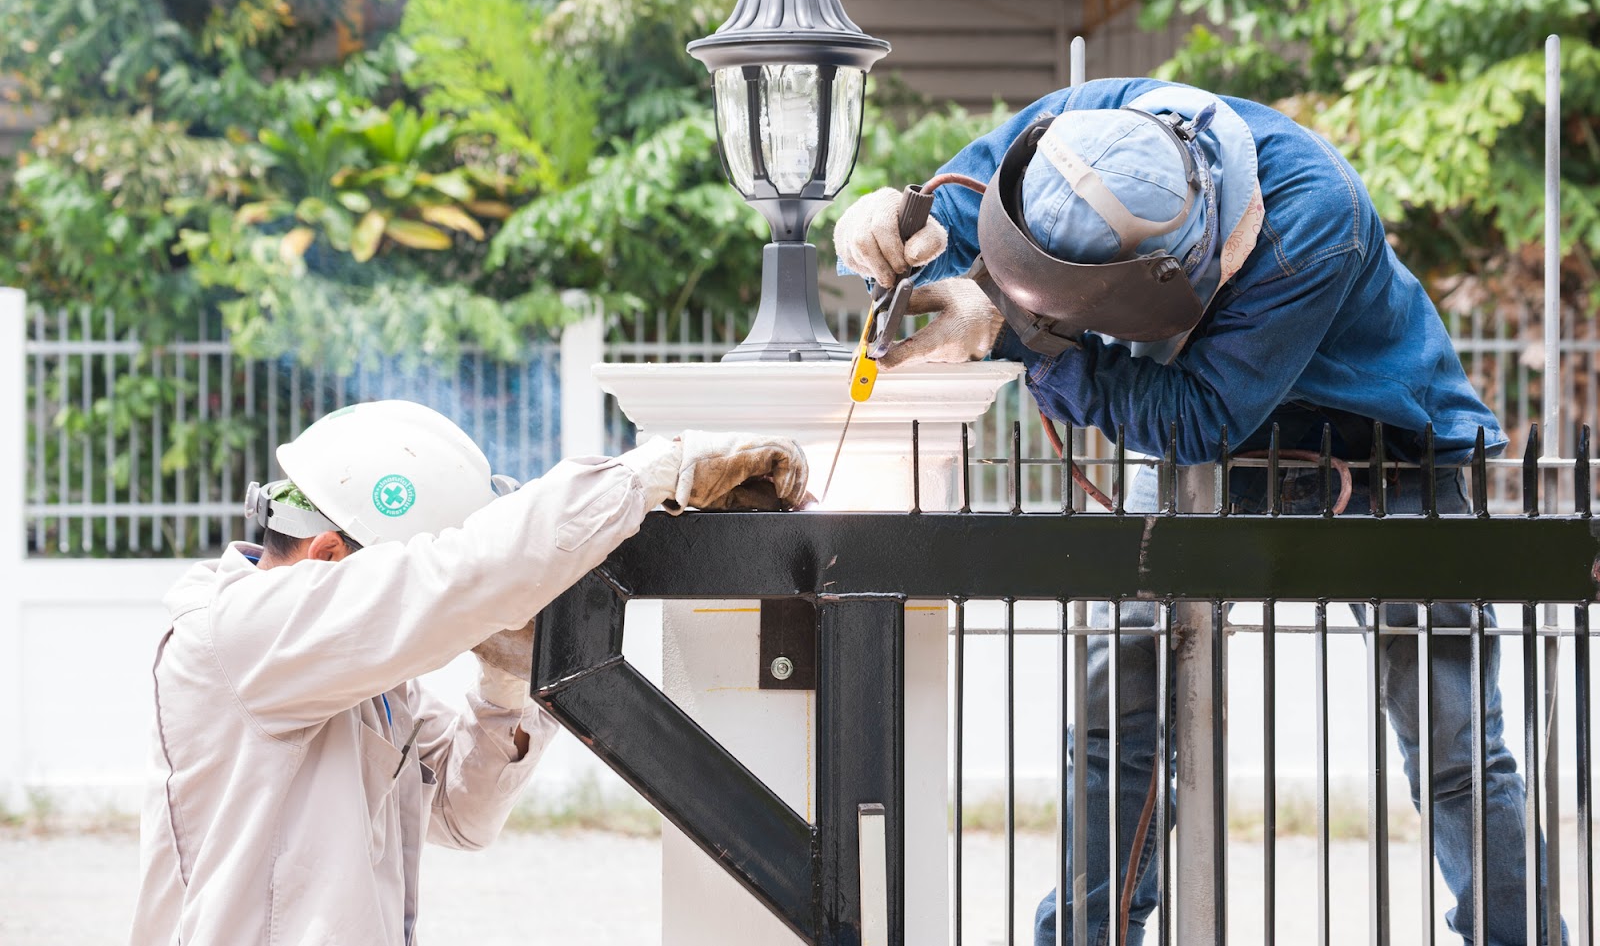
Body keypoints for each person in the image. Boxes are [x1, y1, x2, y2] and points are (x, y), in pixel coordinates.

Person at [834, 79, 1560, 946]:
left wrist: (1016, 331)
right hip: (1201, 459)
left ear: (1164, 279)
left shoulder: (1311, 218)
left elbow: (1195, 417)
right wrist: (884, 231)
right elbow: (955, 212)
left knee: (1459, 759)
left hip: (1388, 459)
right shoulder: (1078, 132)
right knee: (1115, 723)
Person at [128, 399, 808, 945]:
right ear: (329, 552)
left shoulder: (354, 682)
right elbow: (452, 578)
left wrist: (502, 689)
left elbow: (462, 815)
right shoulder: (239, 633)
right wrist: (651, 475)